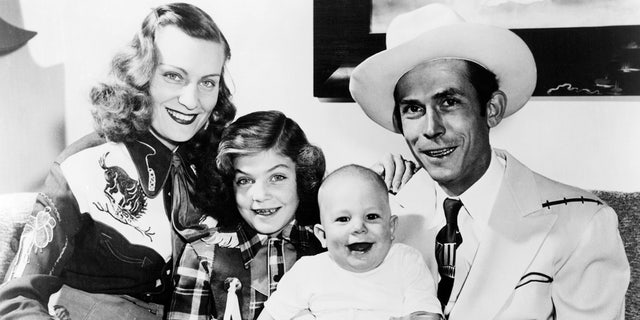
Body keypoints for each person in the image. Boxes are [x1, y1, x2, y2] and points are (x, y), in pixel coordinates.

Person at [349, 4, 629, 320]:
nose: (431, 129)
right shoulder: (383, 216)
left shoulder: (581, 224)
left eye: (449, 102)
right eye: (413, 109)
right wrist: (360, 199)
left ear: (492, 109)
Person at [0, 3, 235, 319]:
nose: (191, 101)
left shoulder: (220, 160)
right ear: (141, 74)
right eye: (173, 76)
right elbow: (16, 299)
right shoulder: (81, 166)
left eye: (207, 82)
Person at [168, 111, 326, 320]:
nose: (259, 195)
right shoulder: (203, 254)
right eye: (245, 180)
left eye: (277, 177)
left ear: (303, 177)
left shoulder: (326, 246)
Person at [259, 164, 443, 320]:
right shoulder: (308, 271)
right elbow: (271, 315)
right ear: (322, 235)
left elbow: (427, 314)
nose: (358, 227)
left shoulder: (405, 261)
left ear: (391, 227)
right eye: (343, 219)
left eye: (371, 216)